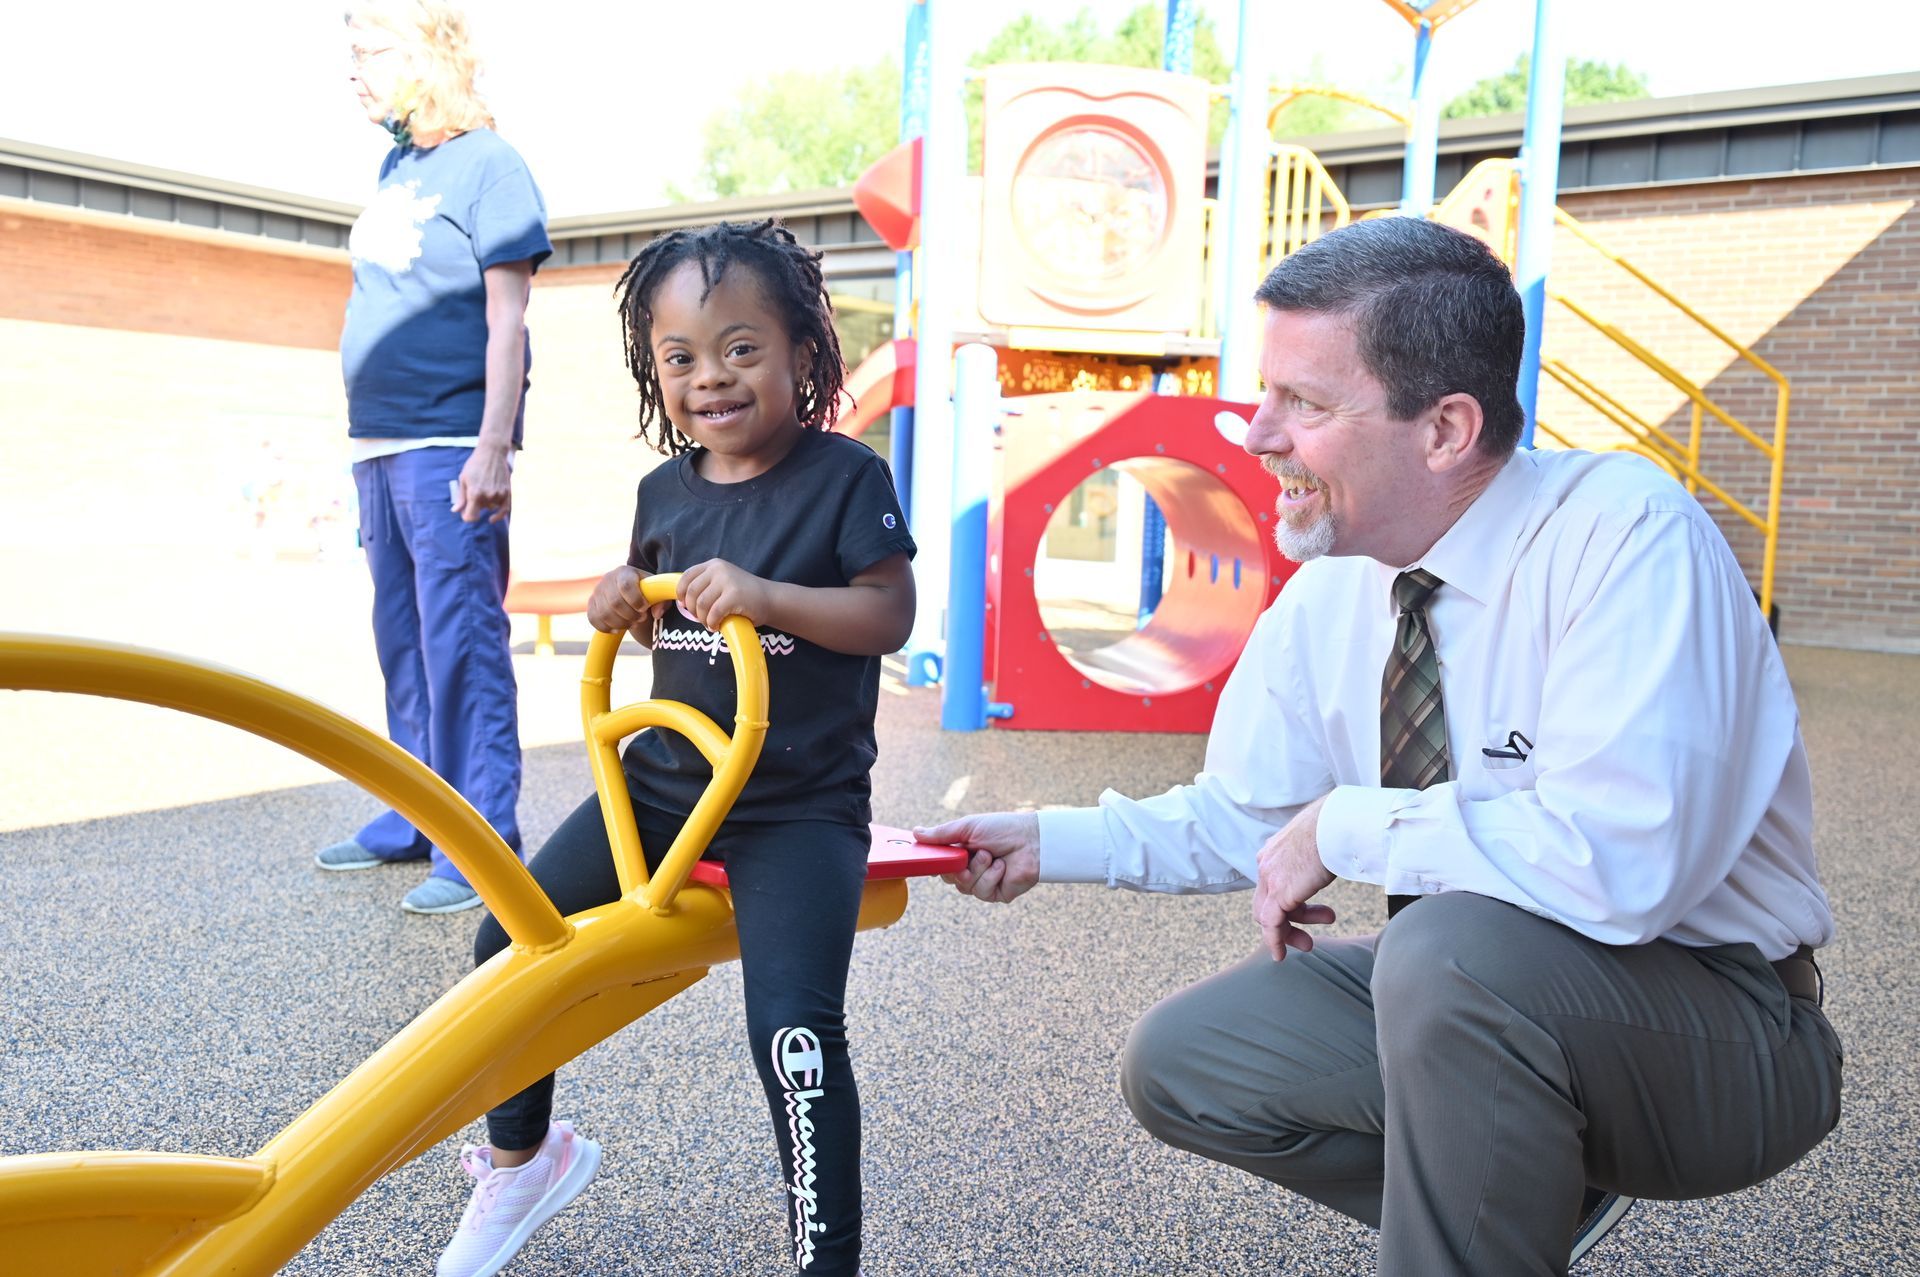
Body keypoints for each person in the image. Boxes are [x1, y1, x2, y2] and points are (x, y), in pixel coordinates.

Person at [918, 217, 1840, 1276]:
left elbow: (1621, 864)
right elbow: (1244, 818)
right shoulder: (1332, 594)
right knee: (1184, 1060)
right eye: (1267, 394)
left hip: (1721, 1018)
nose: (1258, 433)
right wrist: (1044, 838)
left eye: (1303, 402)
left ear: (1445, 428)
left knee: (1450, 952)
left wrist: (1349, 823)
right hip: (1479, 998)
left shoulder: (1627, 537)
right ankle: (1522, 1200)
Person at [432, 220, 915, 1277]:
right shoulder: (666, 493)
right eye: (681, 358)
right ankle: (523, 1157)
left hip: (795, 802)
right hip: (656, 787)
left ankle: (826, 1261)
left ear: (801, 349)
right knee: (509, 943)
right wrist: (624, 606)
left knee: (793, 1034)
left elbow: (887, 614)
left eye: (741, 348)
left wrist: (767, 593)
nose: (711, 378)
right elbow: (673, 624)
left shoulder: (846, 476)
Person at [317, 1, 551, 914]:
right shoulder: (397, 165)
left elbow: (508, 321)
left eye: (369, 51)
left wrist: (494, 446)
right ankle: (416, 815)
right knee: (403, 645)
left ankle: (483, 843)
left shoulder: (492, 166)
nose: (355, 70)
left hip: (450, 443)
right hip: (378, 443)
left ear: (428, 56)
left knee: (463, 646)